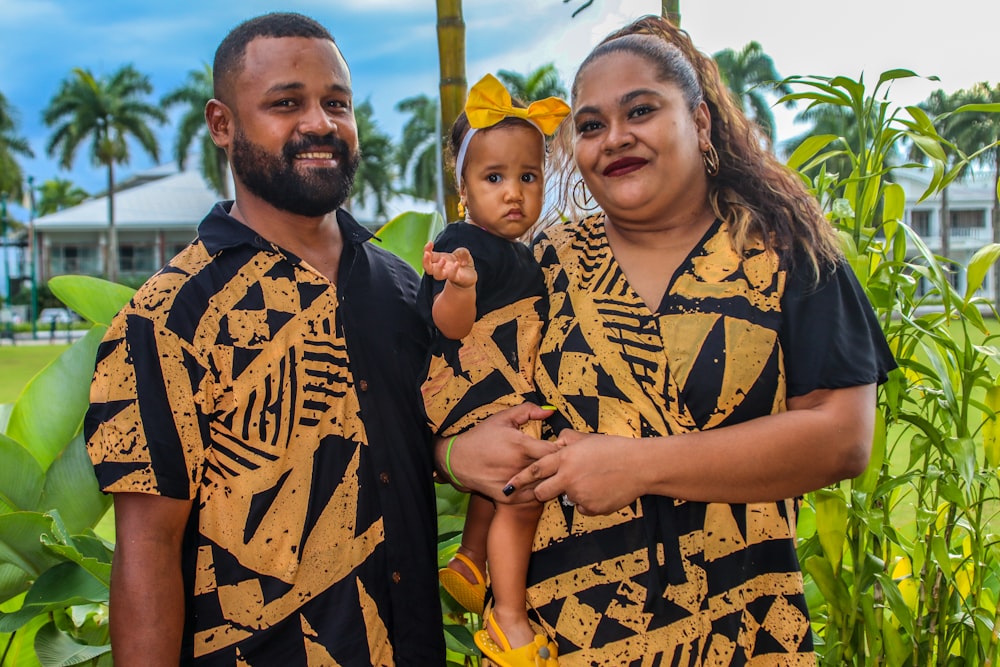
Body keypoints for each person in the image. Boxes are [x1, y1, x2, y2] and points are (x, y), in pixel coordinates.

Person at [436, 15, 897, 666]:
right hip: (561, 638)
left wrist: (638, 464)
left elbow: (843, 437)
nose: (614, 138)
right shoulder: (536, 265)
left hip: (746, 631)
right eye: (591, 125)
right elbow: (445, 385)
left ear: (701, 121)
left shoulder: (785, 251)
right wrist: (456, 452)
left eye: (641, 110)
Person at [84, 12, 444, 666]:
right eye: (286, 103)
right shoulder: (169, 316)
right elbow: (149, 548)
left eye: (337, 103)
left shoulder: (402, 289)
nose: (319, 122)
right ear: (221, 124)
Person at [419, 73, 568, 667]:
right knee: (523, 493)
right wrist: (461, 285)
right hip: (474, 379)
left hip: (492, 386)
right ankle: (508, 618)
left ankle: (471, 558)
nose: (515, 194)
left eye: (527, 177)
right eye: (494, 178)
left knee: (497, 478)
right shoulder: (466, 245)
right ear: (463, 189)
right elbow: (450, 324)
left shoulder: (516, 248)